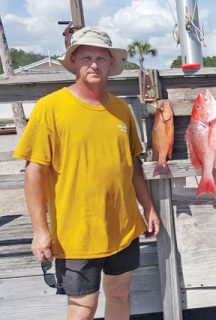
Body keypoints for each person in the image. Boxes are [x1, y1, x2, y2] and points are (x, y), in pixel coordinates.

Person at [13, 27, 160, 319]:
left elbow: (133, 167)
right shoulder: (50, 108)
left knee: (119, 293)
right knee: (83, 306)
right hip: (75, 233)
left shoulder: (121, 110)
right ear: (74, 62)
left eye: (101, 58)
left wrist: (149, 208)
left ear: (110, 64)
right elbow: (34, 173)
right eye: (87, 57)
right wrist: (40, 231)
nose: (94, 64)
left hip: (123, 226)